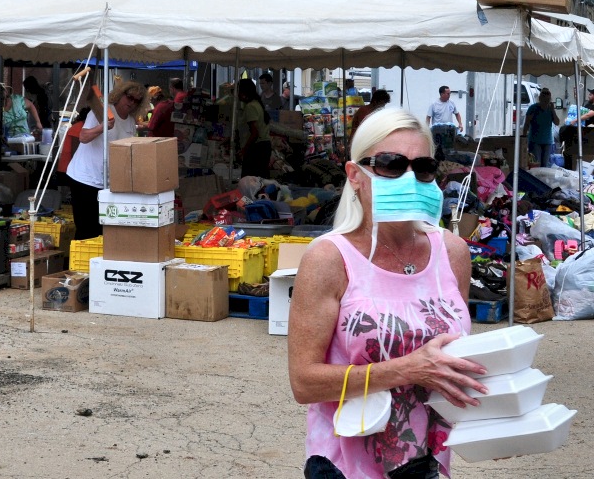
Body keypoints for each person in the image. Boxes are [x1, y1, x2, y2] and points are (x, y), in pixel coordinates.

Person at [288, 109, 487, 479]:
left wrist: (498, 426)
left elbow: (454, 363)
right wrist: (406, 370)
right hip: (345, 466)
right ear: (355, 176)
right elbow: (304, 382)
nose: (410, 179)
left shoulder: (452, 252)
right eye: (391, 165)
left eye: (423, 167)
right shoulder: (329, 258)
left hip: (427, 464)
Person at [66, 80, 147, 240]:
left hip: (108, 182)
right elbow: (83, 136)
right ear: (120, 94)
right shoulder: (102, 112)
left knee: (104, 229)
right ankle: (79, 263)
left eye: (137, 101)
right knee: (87, 229)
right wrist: (102, 127)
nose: (132, 103)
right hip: (84, 178)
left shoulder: (130, 121)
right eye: (130, 97)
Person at [236, 78, 272, 179]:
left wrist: (244, 150)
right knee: (260, 180)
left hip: (257, 149)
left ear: (243, 93)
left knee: (249, 181)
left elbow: (254, 133)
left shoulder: (250, 107)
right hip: (263, 147)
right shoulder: (256, 104)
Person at [523, 88, 559, 168]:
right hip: (535, 140)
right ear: (540, 99)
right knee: (536, 164)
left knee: (545, 165)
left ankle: (543, 180)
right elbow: (527, 124)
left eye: (547, 100)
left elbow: (557, 122)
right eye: (544, 100)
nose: (546, 103)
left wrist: (553, 110)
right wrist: (524, 139)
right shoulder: (533, 108)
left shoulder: (550, 109)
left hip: (547, 141)